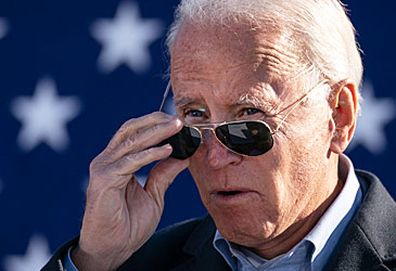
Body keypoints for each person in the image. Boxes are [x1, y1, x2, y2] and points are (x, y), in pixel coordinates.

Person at [42, 0, 396, 270]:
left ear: (338, 116)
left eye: (249, 118)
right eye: (195, 117)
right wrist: (95, 260)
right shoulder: (140, 264)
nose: (215, 156)